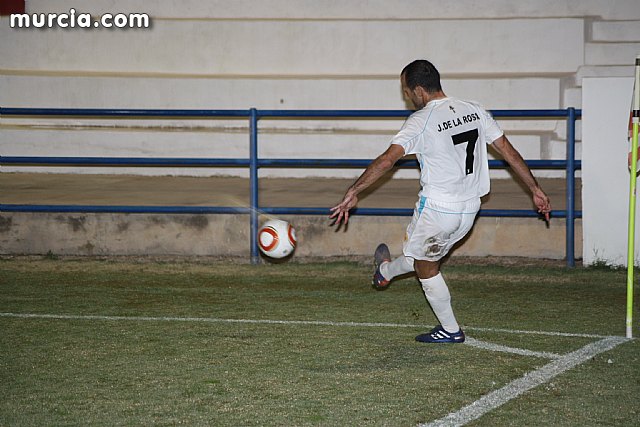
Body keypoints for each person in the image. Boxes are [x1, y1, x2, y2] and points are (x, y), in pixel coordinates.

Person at [329, 59, 551, 344]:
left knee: (426, 266)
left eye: (407, 91)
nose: (407, 97)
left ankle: (450, 329)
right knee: (421, 254)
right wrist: (535, 188)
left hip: (437, 208)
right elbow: (507, 150)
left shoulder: (421, 121)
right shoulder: (474, 110)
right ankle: (384, 272)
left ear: (419, 90)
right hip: (470, 209)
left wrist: (354, 190)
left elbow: (387, 160)